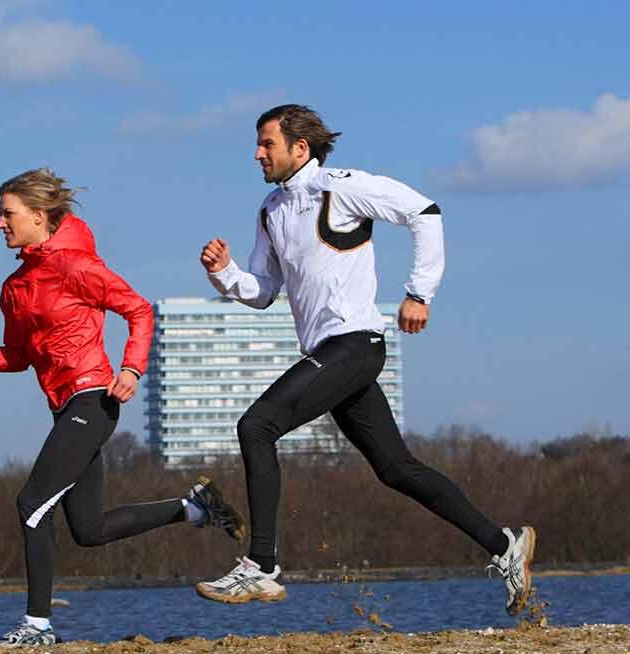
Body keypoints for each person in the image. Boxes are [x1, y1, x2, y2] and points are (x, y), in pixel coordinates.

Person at [197, 105, 536, 615]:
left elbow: (425, 213)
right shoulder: (271, 210)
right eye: (258, 144)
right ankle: (505, 545)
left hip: (355, 344)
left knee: (257, 425)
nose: (257, 153)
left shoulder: (342, 186)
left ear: (300, 148)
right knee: (397, 469)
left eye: (267, 144)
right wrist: (225, 274)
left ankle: (262, 566)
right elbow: (265, 290)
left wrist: (419, 292)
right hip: (330, 355)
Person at [0, 168, 245, 646]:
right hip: (64, 408)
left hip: (94, 398)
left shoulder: (75, 266)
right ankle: (194, 508)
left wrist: (130, 369)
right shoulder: (15, 289)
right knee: (89, 529)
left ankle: (37, 626)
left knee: (30, 503)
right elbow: (19, 358)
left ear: (39, 216)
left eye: (8, 214)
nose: (0, 224)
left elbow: (138, 310)